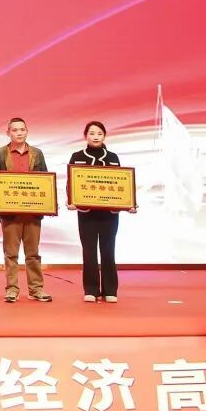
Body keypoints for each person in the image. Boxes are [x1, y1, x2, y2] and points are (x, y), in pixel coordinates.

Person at [0, 117, 51, 303]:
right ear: (8, 132)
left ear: (27, 131)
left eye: (22, 129)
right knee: (11, 254)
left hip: (33, 212)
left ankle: (36, 289)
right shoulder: (0, 154)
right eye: (15, 130)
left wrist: (48, 204)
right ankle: (12, 289)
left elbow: (45, 180)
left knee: (33, 254)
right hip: (10, 213)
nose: (19, 133)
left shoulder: (37, 153)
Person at [68, 121, 125, 304]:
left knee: (108, 250)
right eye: (92, 133)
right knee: (89, 251)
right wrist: (71, 201)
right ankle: (91, 289)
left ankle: (110, 290)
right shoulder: (77, 156)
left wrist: (128, 203)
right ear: (86, 136)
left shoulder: (113, 157)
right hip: (86, 213)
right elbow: (71, 183)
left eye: (99, 133)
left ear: (104, 136)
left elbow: (122, 184)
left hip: (110, 213)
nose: (95, 137)